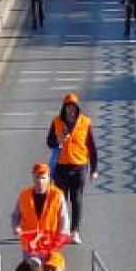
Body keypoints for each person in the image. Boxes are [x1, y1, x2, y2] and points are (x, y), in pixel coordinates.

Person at [46, 93, 99, 244]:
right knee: (61, 199)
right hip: (61, 166)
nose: (71, 110)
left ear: (77, 108)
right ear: (64, 108)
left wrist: (94, 169)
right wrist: (58, 140)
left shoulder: (85, 122)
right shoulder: (56, 122)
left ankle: (75, 231)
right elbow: (49, 142)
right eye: (68, 107)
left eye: (74, 107)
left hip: (79, 165)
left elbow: (92, 147)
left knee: (76, 198)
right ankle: (62, 229)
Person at [12, 163, 71, 257]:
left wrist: (59, 240)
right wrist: (16, 227)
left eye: (43, 178)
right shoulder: (24, 195)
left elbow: (64, 218)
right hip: (30, 245)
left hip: (51, 245)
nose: (40, 181)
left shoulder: (57, 195)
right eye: (37, 177)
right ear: (33, 178)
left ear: (49, 178)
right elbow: (15, 215)